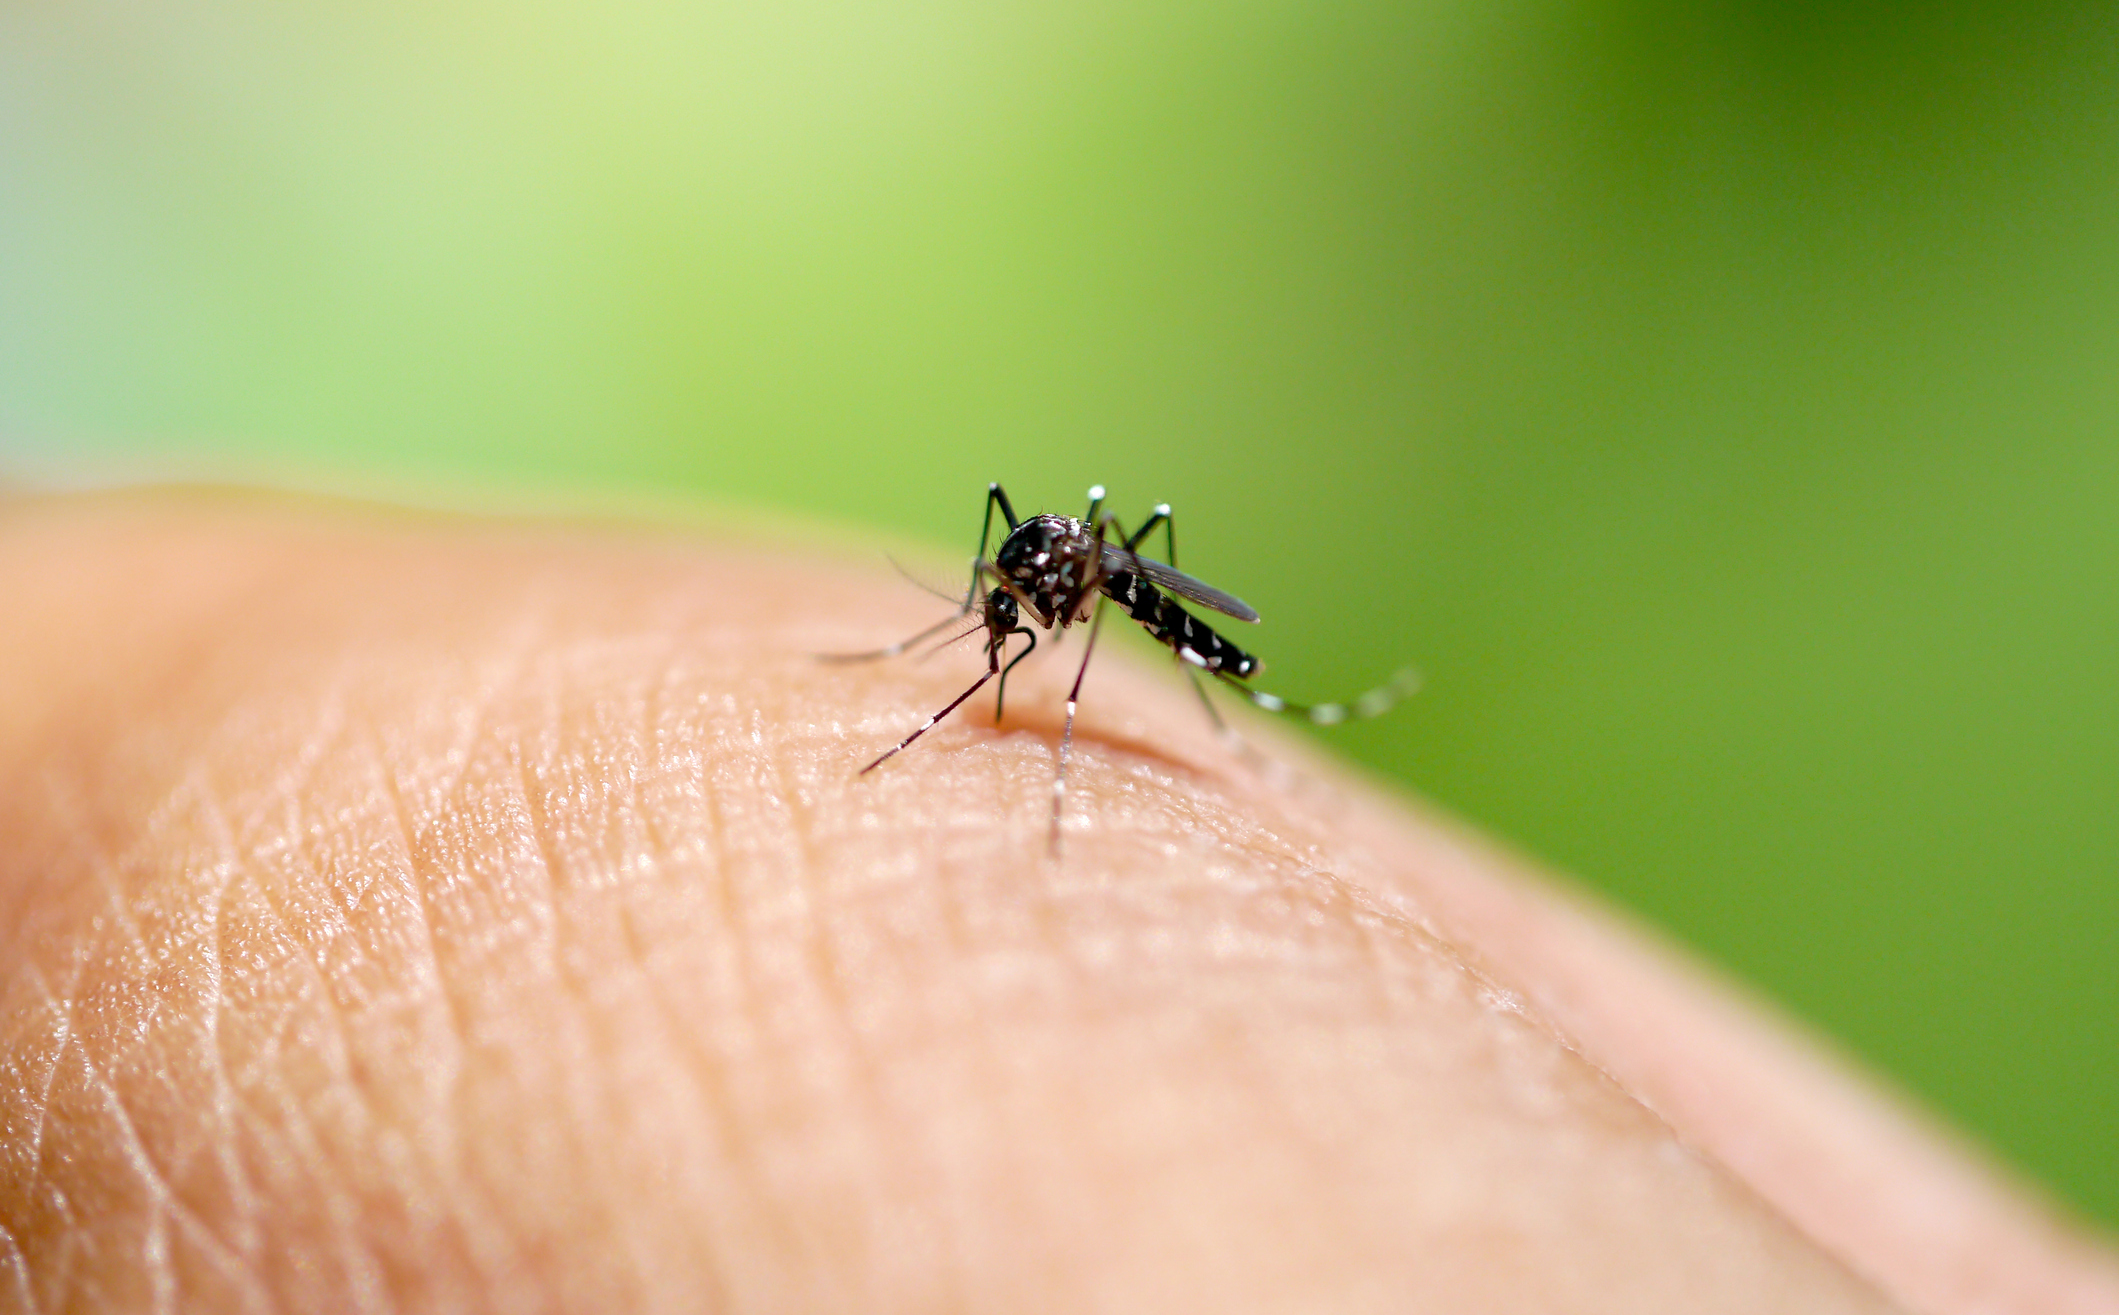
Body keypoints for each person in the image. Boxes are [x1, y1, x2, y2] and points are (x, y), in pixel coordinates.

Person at [2, 489, 2114, 1313]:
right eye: (1017, 599)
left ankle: (1205, 690)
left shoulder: (1092, 593)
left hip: (1171, 638)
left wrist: (1068, 646)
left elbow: (1081, 559)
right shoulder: (1026, 566)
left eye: (1017, 598)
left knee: (1112, 552)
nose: (1019, 598)